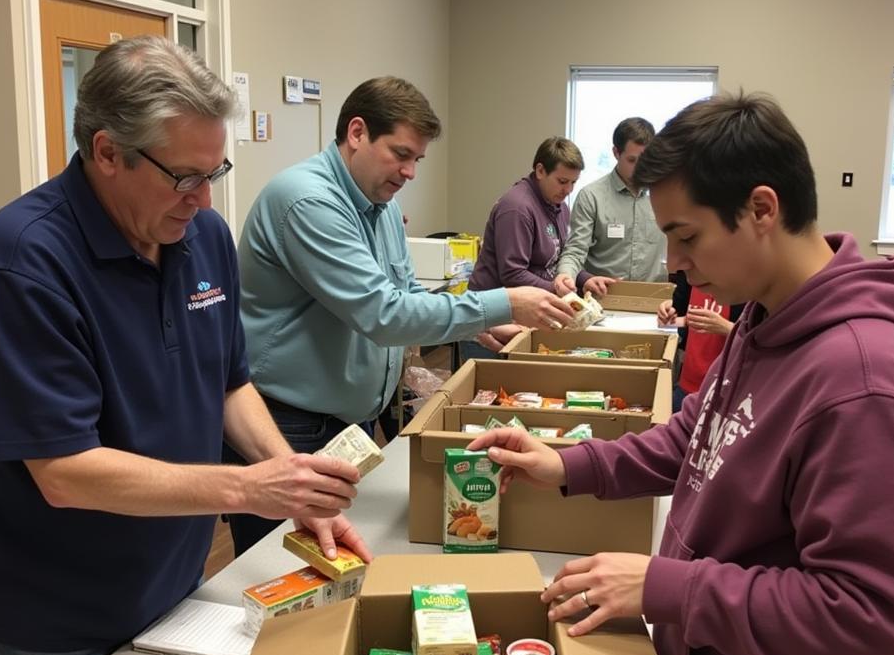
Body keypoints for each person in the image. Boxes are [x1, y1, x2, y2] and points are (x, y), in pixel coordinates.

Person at [469, 91, 894, 655]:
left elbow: (868, 610)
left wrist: (666, 587)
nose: (673, 263)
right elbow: (690, 441)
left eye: (684, 234)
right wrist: (563, 464)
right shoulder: (766, 316)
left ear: (761, 208)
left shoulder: (862, 383)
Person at [0, 36, 369, 655]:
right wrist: (252, 491)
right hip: (53, 625)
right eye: (183, 175)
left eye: (214, 171)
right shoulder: (21, 262)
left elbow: (230, 384)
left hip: (174, 593)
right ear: (105, 152)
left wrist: (296, 482)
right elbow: (63, 474)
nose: (203, 197)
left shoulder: (205, 238)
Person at [231, 78, 573, 555]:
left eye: (418, 160)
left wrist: (482, 322)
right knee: (283, 565)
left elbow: (406, 290)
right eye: (401, 154)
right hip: (289, 423)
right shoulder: (308, 201)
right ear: (356, 133)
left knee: (343, 556)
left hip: (347, 421)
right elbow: (383, 314)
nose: (410, 171)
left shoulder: (380, 201)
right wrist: (505, 303)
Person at [462, 136, 585, 362]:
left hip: (523, 316)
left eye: (573, 183)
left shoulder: (558, 205)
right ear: (540, 171)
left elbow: (557, 258)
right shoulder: (517, 208)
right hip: (492, 322)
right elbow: (513, 273)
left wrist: (585, 280)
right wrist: (559, 293)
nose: (568, 189)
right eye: (562, 181)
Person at [553, 116, 667, 298]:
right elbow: (575, 249)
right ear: (616, 153)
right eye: (632, 160)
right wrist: (565, 275)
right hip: (602, 299)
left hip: (654, 300)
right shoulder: (591, 196)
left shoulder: (664, 195)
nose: (640, 168)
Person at [658, 272, 745, 413]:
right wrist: (668, 312)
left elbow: (761, 336)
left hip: (725, 393)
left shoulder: (747, 286)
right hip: (686, 385)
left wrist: (728, 328)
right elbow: (680, 317)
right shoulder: (692, 276)